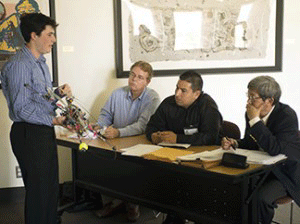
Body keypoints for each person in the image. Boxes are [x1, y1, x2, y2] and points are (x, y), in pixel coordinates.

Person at [0, 13, 72, 224]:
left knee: (49, 187)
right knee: (38, 192)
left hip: (41, 131)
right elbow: (22, 108)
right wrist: (54, 121)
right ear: (34, 35)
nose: (54, 39)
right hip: (28, 133)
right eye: (50, 34)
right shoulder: (19, 65)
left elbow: (40, 98)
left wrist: (58, 92)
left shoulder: (41, 63)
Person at [146, 70, 223, 224]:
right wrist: (153, 135)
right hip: (173, 158)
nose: (177, 94)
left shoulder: (207, 106)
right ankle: (174, 216)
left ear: (196, 94)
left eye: (183, 91)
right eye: (176, 88)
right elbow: (151, 126)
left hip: (201, 161)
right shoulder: (168, 103)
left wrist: (178, 138)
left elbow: (211, 137)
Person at [221, 76, 300, 224]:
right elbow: (251, 143)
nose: (248, 102)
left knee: (260, 198)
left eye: (253, 98)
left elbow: (275, 149)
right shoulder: (251, 114)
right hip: (260, 169)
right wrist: (235, 143)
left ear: (269, 101)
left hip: (284, 172)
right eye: (248, 96)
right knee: (233, 190)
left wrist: (256, 121)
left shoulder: (287, 115)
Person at [94, 60, 160, 222]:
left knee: (131, 168)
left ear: (147, 81)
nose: (134, 80)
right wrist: (99, 126)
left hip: (140, 144)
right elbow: (105, 115)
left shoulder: (152, 98)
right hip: (117, 141)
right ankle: (113, 202)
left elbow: (142, 126)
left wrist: (118, 132)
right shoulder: (117, 93)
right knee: (101, 160)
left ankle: (132, 204)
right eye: (132, 75)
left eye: (140, 77)